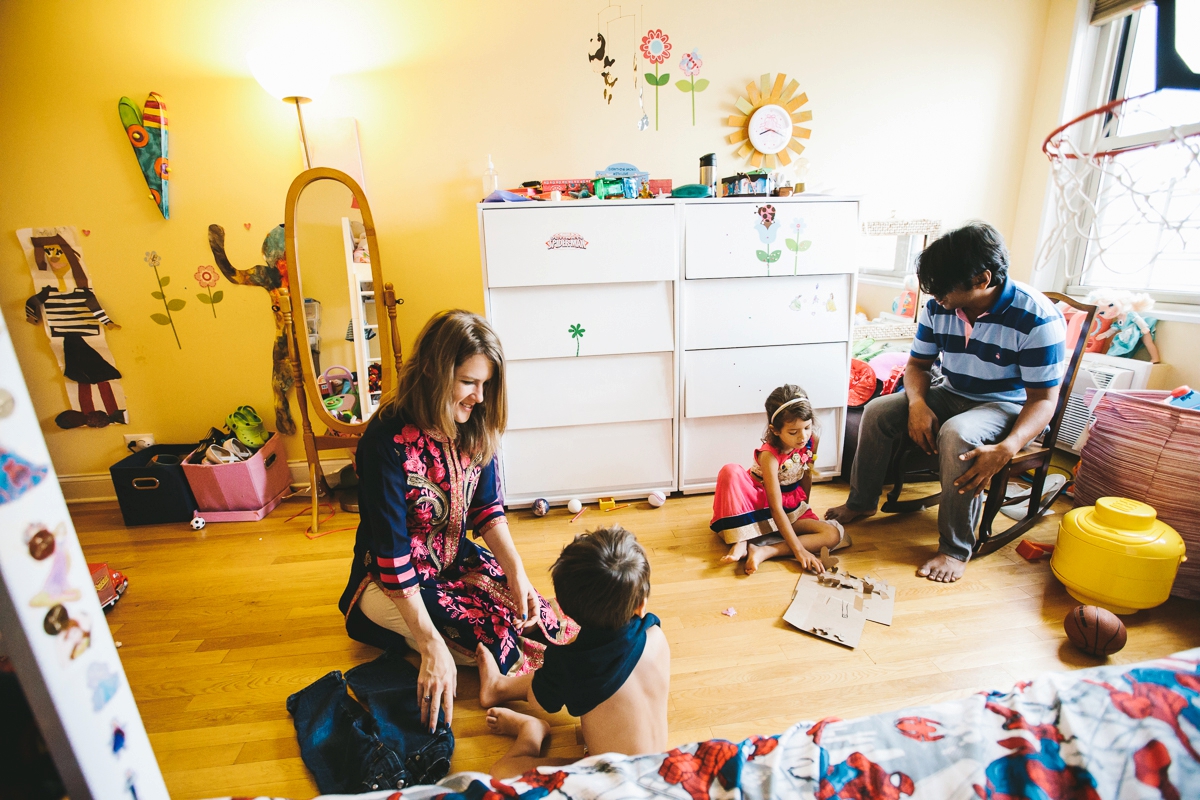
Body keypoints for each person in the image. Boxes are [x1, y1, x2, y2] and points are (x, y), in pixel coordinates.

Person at [338, 310, 577, 733]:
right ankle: (419, 640)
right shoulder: (384, 441)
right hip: (389, 581)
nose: (480, 398)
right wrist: (430, 644)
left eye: (485, 384)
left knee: (538, 617)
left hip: (452, 560)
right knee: (496, 640)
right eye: (469, 382)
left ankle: (431, 642)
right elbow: (392, 556)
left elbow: (487, 510)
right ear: (432, 370)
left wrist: (517, 574)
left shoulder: (476, 424)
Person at [826, 222, 1067, 583]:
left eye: (942, 290)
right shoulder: (938, 307)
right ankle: (861, 503)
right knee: (877, 411)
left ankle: (955, 548)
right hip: (950, 391)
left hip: (1007, 404)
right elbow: (918, 366)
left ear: (982, 280)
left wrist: (1010, 445)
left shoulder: (1036, 318)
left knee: (957, 433)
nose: (935, 298)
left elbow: (1044, 400)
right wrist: (918, 404)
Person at [474, 526, 670, 778]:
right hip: (658, 769)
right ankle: (498, 687)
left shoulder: (573, 664)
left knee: (503, 772)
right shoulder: (654, 632)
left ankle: (530, 732)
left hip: (613, 781)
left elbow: (540, 699)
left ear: (563, 610)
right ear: (641, 606)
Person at [710, 385, 846, 575]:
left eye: (807, 427)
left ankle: (765, 550)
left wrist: (804, 506)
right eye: (793, 432)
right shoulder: (770, 456)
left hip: (790, 504)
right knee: (730, 471)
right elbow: (775, 507)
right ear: (775, 430)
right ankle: (742, 539)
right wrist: (800, 551)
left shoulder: (811, 439)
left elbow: (806, 472)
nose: (802, 436)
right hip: (760, 505)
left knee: (832, 534)